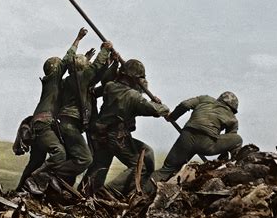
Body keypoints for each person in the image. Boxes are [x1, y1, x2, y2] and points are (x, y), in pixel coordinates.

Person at [16, 28, 87, 193]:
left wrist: (85, 60)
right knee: (60, 153)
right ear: (55, 69)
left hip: (39, 124)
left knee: (36, 161)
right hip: (44, 124)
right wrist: (78, 39)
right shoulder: (53, 79)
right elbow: (68, 58)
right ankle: (35, 180)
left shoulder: (52, 83)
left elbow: (72, 68)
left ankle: (20, 190)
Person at [90, 59, 169, 196]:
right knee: (140, 166)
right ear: (134, 78)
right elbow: (156, 110)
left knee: (101, 166)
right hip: (117, 136)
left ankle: (87, 192)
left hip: (101, 133)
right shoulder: (133, 96)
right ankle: (109, 193)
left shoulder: (110, 86)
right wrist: (161, 105)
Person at [149, 91, 243, 186]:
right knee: (238, 139)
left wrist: (172, 117)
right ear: (233, 108)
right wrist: (223, 159)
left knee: (167, 170)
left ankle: (141, 189)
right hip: (207, 144)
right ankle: (234, 167)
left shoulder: (205, 99)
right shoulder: (232, 119)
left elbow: (185, 104)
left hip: (186, 137)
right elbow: (228, 141)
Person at [55, 39, 113, 186]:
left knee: (73, 158)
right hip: (71, 125)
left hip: (67, 124)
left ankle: (61, 186)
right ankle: (49, 173)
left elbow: (96, 74)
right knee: (85, 159)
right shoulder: (80, 78)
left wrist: (110, 62)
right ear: (82, 68)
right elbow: (95, 69)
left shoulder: (69, 81)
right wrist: (105, 50)